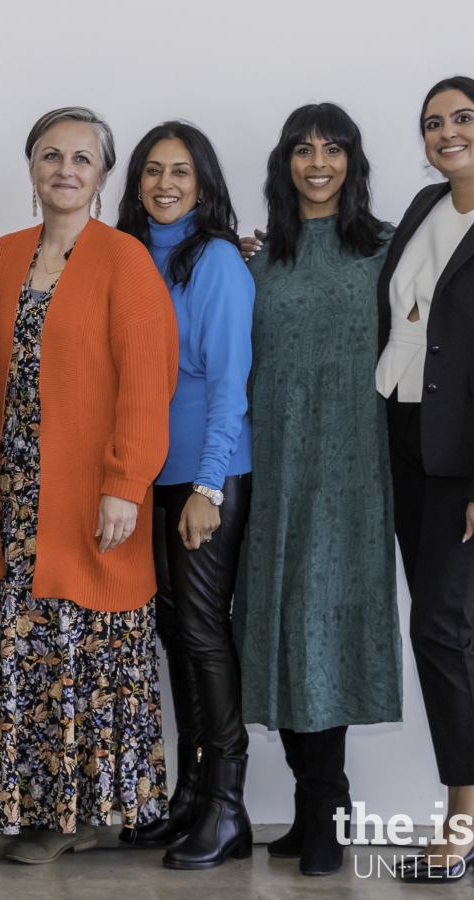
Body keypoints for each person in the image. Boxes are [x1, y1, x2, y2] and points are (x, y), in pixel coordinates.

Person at [0, 106, 178, 867]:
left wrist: (125, 485)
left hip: (90, 497)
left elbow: (149, 385)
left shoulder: (125, 261)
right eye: (51, 155)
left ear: (104, 175)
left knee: (77, 659)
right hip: (11, 497)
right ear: (32, 168)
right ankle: (6, 811)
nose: (66, 169)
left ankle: (69, 819)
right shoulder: (0, 256)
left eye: (83, 158)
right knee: (12, 654)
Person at [235, 102, 401, 878]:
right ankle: (309, 813)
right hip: (274, 470)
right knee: (276, 627)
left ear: (353, 162)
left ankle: (327, 814)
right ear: (285, 164)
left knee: (326, 631)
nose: (317, 162)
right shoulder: (261, 260)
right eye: (303, 150)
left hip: (352, 471)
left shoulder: (389, 252)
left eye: (333, 149)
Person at [113, 122, 255, 868]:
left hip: (209, 472)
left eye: (182, 173)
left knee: (203, 633)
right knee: (174, 635)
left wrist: (208, 486)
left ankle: (228, 809)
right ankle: (193, 796)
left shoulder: (220, 261)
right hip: (151, 478)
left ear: (203, 185)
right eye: (152, 172)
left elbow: (230, 386)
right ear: (135, 184)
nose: (165, 185)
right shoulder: (129, 257)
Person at [377, 76, 474, 885]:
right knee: (443, 629)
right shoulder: (422, 208)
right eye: (435, 122)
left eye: (464, 118)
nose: (447, 133)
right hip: (404, 439)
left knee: (441, 631)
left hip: (463, 458)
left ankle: (463, 821)